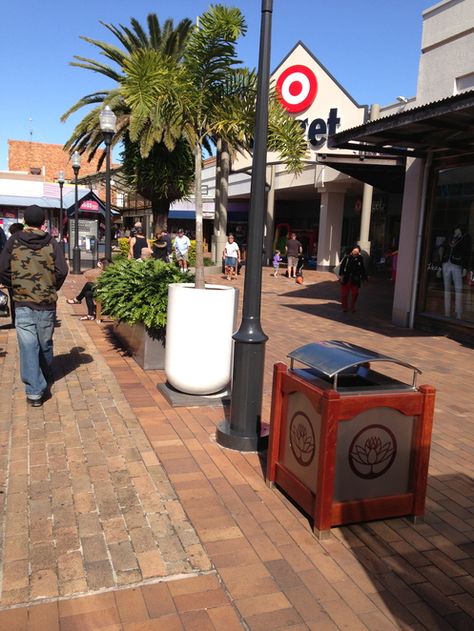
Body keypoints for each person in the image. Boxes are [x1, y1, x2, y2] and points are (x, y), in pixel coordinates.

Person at [0, 205, 68, 406]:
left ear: (25, 222)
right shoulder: (51, 242)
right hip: (46, 303)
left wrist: (15, 285)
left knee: (29, 345)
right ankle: (43, 379)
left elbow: (2, 269)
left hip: (22, 301)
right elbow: (62, 270)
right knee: (44, 343)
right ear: (43, 222)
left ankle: (34, 391)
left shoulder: (13, 240)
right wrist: (50, 286)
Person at [441, 226, 471, 319]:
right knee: (447, 290)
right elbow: (444, 249)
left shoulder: (465, 238)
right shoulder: (449, 237)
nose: (456, 230)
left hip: (457, 265)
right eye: (455, 228)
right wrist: (439, 266)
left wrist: (465, 267)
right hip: (446, 264)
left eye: (458, 228)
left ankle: (458, 313)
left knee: (458, 290)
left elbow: (467, 253)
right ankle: (447, 312)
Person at [339, 245, 368, 313]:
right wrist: (341, 276)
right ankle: (344, 307)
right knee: (344, 294)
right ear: (352, 251)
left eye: (357, 251)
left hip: (355, 279)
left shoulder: (360, 258)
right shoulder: (347, 258)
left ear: (359, 252)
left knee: (355, 294)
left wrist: (364, 277)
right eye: (354, 250)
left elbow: (362, 268)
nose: (356, 252)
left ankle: (352, 306)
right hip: (347, 278)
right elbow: (342, 267)